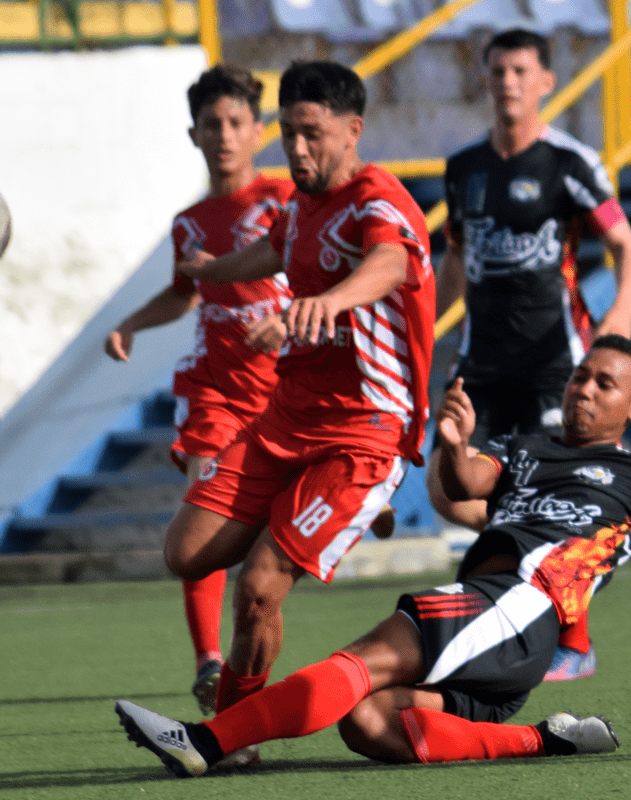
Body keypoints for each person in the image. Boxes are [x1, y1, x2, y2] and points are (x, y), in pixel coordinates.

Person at [115, 335, 631, 777]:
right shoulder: (527, 448)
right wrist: (453, 444)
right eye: (580, 377)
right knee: (368, 723)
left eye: (605, 384)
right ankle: (549, 741)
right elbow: (466, 483)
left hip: (521, 604)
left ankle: (204, 744)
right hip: (492, 621)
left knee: (359, 665)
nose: (584, 390)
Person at [163, 59, 435, 751]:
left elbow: (389, 264)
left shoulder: (381, 200)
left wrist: (326, 302)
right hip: (288, 418)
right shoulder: (303, 203)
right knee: (185, 553)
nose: (298, 149)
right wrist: (210, 271)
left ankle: (228, 735)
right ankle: (335, 510)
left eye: (311, 133)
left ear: (353, 130)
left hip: (364, 432)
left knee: (257, 587)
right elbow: (273, 248)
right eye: (288, 133)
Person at [427, 28, 631, 681]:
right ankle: (528, 571)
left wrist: (620, 320)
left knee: (566, 493)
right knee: (447, 486)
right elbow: (458, 262)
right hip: (481, 363)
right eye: (497, 71)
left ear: (546, 81)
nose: (508, 82)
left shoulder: (569, 163)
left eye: (521, 70)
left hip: (558, 364)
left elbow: (627, 249)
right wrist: (425, 334)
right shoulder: (463, 169)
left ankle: (572, 638)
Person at [103, 64, 296, 716]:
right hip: (213, 390)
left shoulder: (285, 203)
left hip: (284, 391)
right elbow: (185, 294)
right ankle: (208, 663)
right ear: (194, 134)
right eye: (211, 124)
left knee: (273, 548)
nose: (223, 135)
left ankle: (249, 660)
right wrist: (132, 320)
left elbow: (321, 274)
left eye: (236, 123)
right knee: (201, 515)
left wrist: (292, 316)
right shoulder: (188, 224)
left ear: (259, 130)